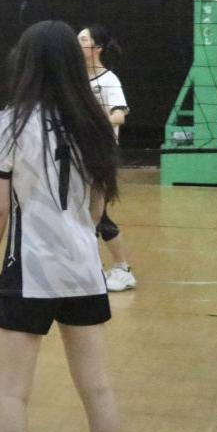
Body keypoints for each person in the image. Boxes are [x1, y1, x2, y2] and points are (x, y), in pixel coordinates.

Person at [0, 20, 124, 432]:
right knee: (98, 390)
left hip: (30, 271)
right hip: (84, 269)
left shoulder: (7, 124)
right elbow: (96, 211)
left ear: (25, 63)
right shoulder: (94, 124)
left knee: (12, 394)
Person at [79, 25, 136, 292]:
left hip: (101, 154)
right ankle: (97, 268)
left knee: (96, 215)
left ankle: (121, 269)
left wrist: (97, 125)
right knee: (86, 214)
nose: (77, 45)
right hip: (78, 153)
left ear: (97, 48)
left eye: (82, 40)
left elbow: (119, 115)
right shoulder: (76, 79)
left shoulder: (109, 80)